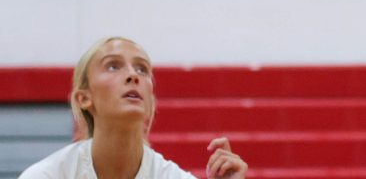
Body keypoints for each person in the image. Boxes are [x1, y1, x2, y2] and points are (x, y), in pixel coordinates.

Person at [18, 37, 246, 179]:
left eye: (142, 69)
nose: (132, 75)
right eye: (113, 66)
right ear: (84, 98)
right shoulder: (47, 175)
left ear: (150, 101)